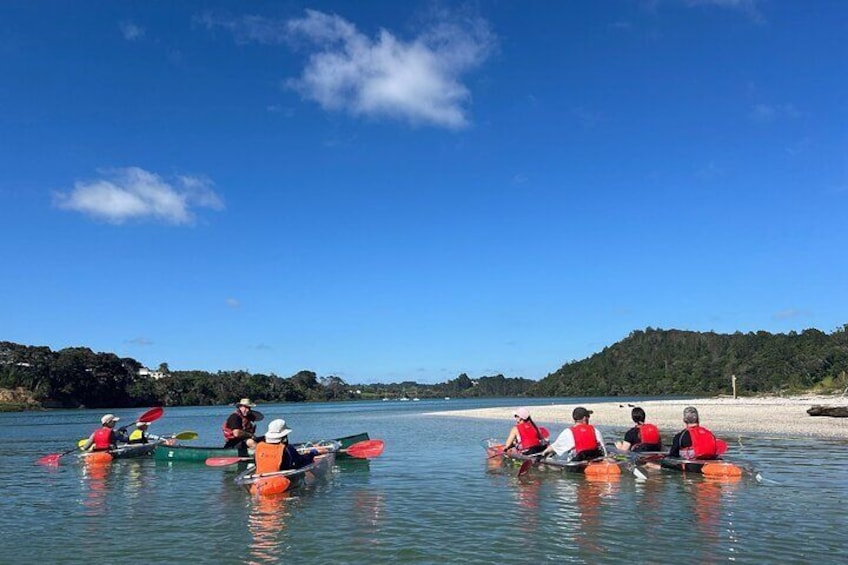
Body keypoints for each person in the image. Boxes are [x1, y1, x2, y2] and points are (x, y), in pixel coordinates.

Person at [253, 419, 326, 474]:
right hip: (281, 481)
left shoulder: (259, 447)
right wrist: (313, 453)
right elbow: (301, 461)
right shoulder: (287, 448)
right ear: (284, 436)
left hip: (260, 481)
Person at [541, 407, 606, 461]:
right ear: (584, 418)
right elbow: (603, 449)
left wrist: (544, 452)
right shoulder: (595, 430)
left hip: (578, 462)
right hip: (595, 459)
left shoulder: (568, 432)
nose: (589, 418)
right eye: (588, 416)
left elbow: (554, 447)